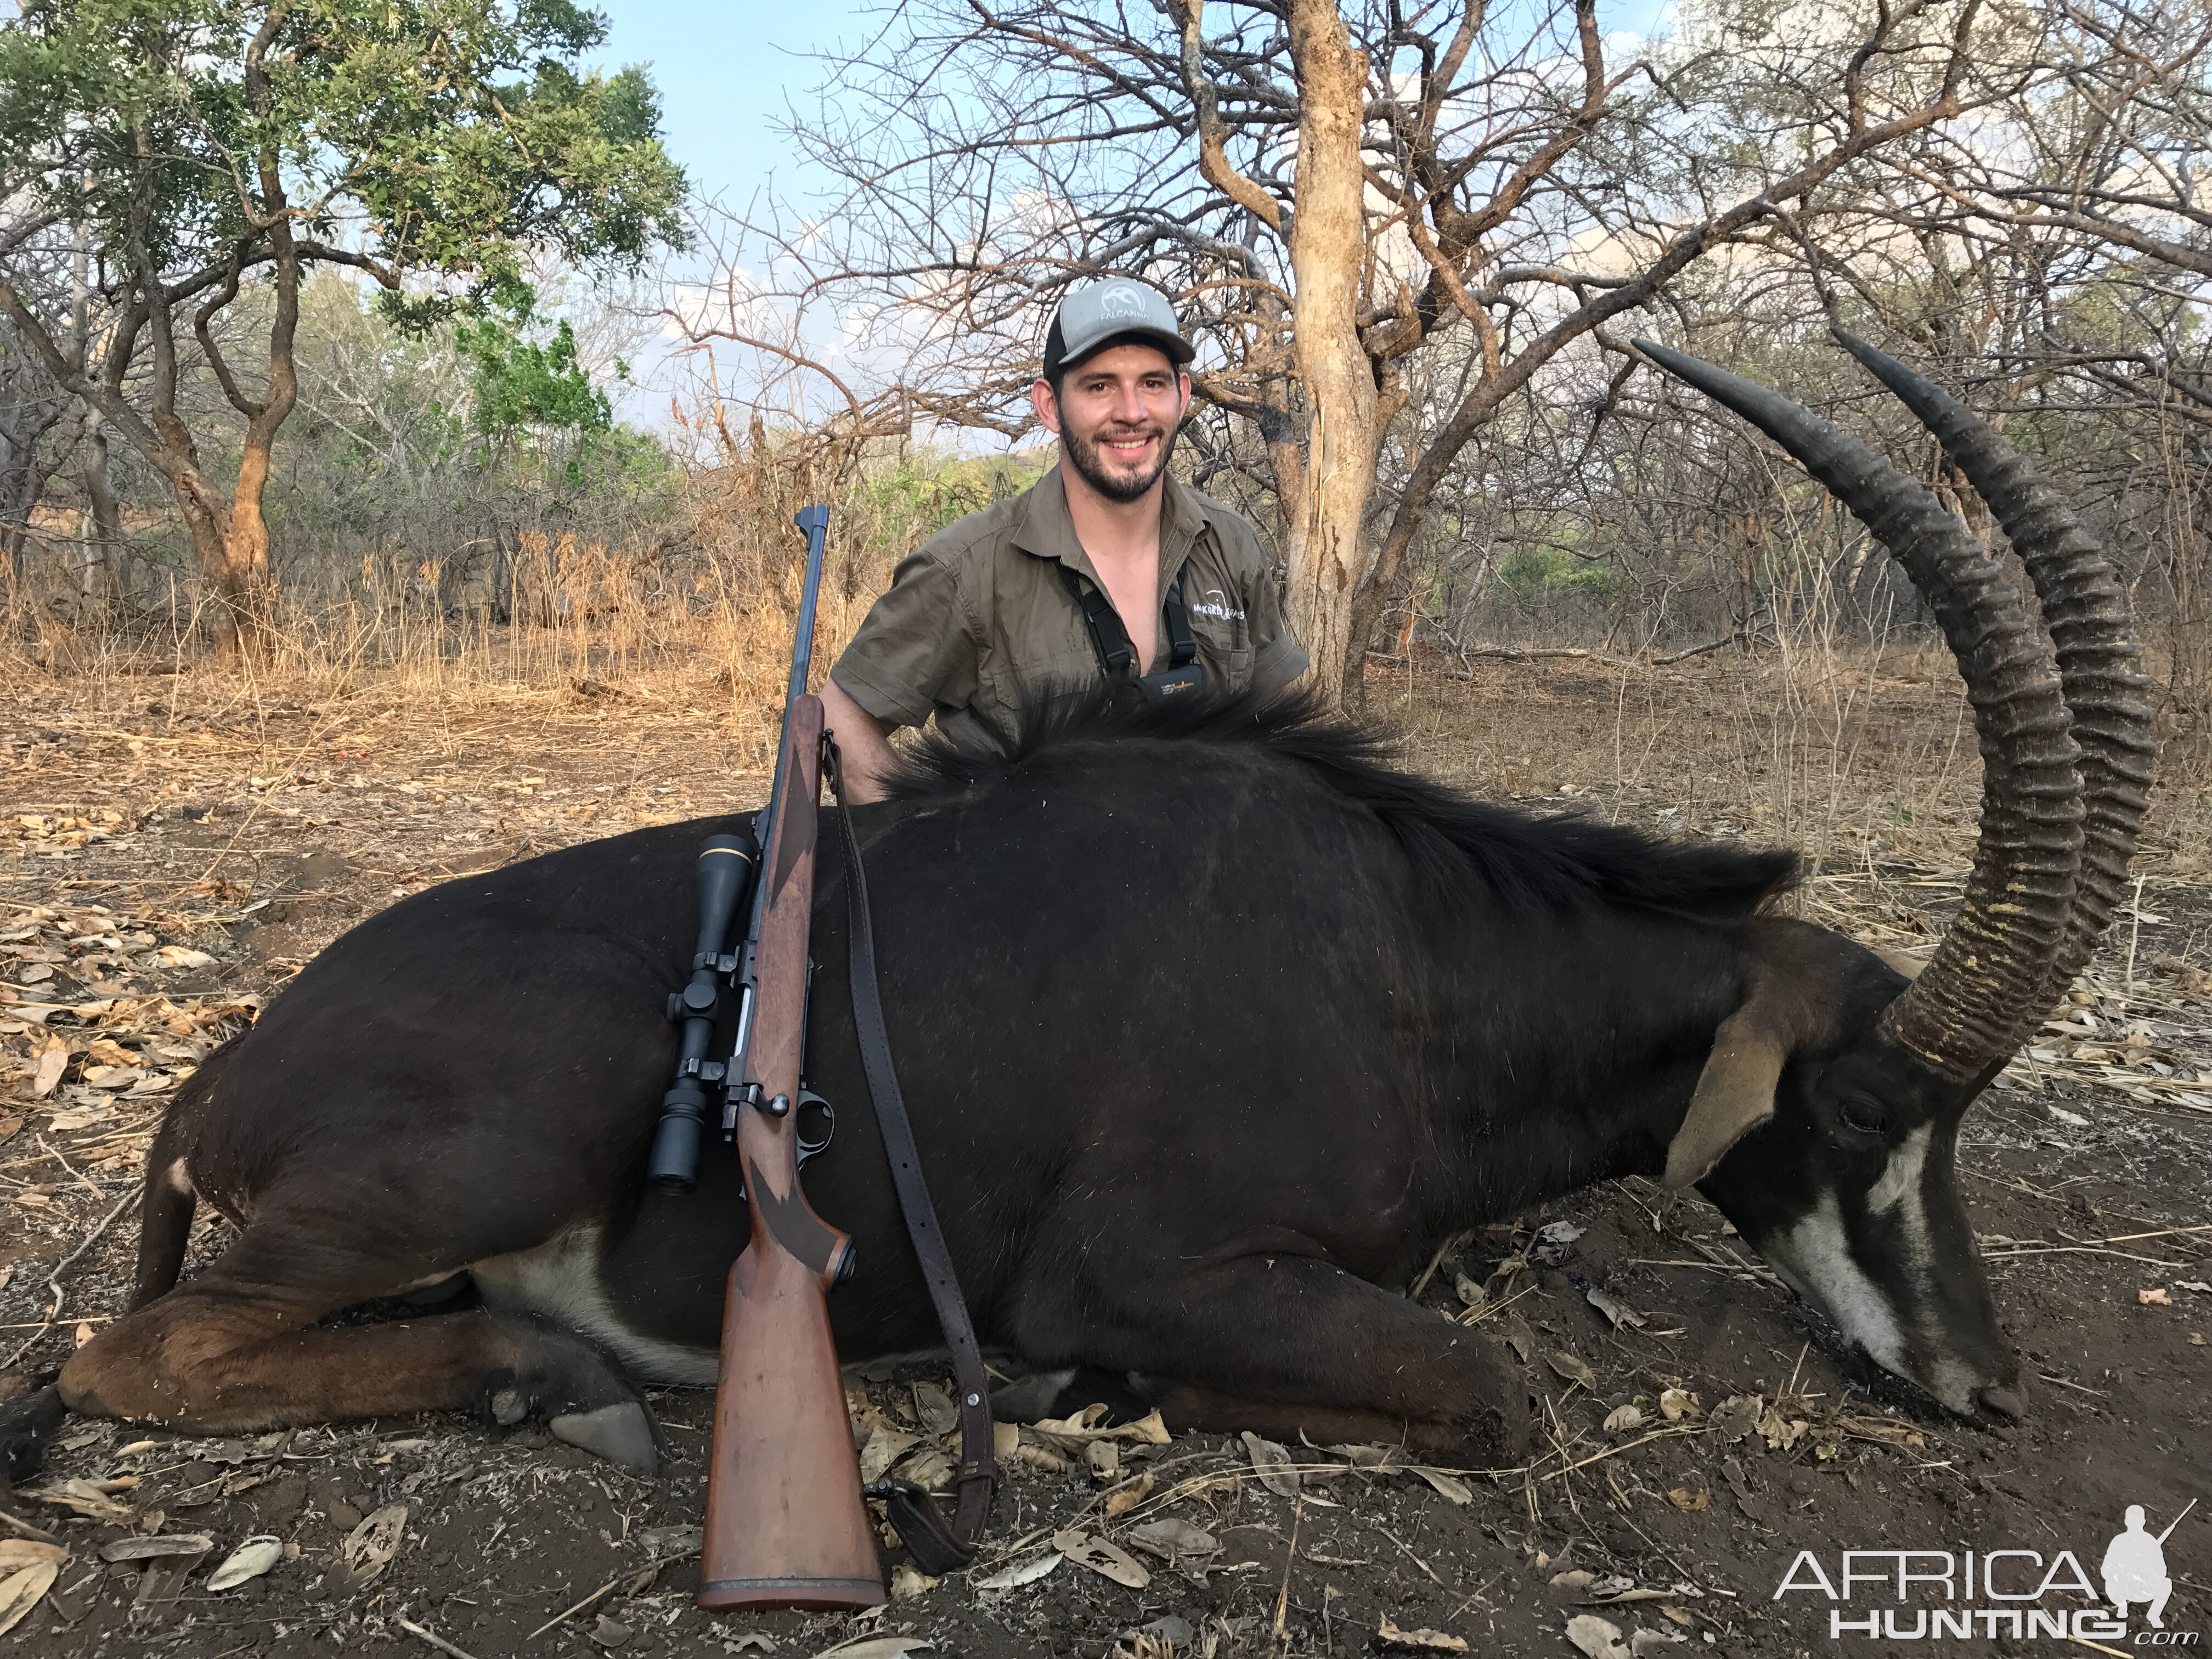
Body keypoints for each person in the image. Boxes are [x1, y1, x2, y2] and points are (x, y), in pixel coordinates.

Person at [822, 278, 1309, 802]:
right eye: (1099, 386)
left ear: (1182, 396)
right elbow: (840, 717)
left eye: (1152, 383)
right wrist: (936, 851)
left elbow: (1280, 725)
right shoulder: (968, 568)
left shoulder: (1230, 545)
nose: (1132, 412)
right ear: (1050, 405)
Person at [2102, 1504, 2174, 1628]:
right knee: (2112, 1581)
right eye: (2131, 1521)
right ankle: (2122, 1606)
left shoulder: (2151, 1543)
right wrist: (2120, 1571)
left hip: (2143, 1587)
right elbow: (2106, 1569)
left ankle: (2154, 1615)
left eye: (2137, 1521)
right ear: (2126, 1522)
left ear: (2143, 1522)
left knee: (2166, 1584)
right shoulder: (2119, 1541)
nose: (2134, 1525)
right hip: (2123, 1586)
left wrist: (2149, 1572)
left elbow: (2162, 1570)